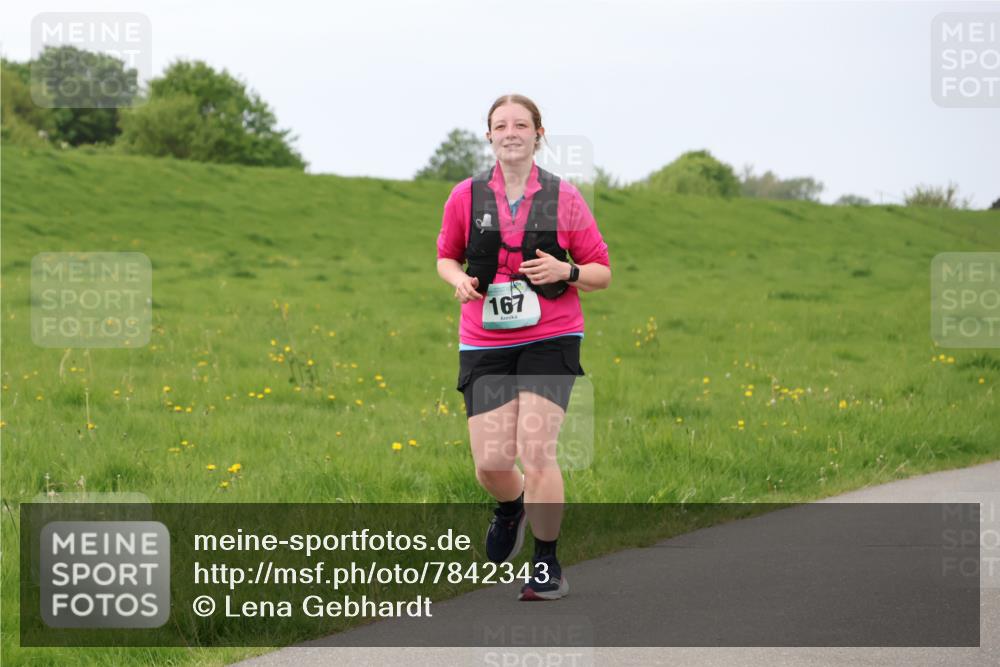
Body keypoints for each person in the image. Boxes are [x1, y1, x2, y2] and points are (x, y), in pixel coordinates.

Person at [436, 94, 612, 601]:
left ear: (539, 134)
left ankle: (546, 565)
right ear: (488, 135)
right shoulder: (465, 196)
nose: (510, 132)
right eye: (500, 125)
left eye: (521, 124)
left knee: (537, 452)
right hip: (485, 340)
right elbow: (446, 257)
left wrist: (567, 271)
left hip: (550, 335)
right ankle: (511, 506)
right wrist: (458, 281)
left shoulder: (565, 198)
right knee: (491, 463)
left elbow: (601, 271)